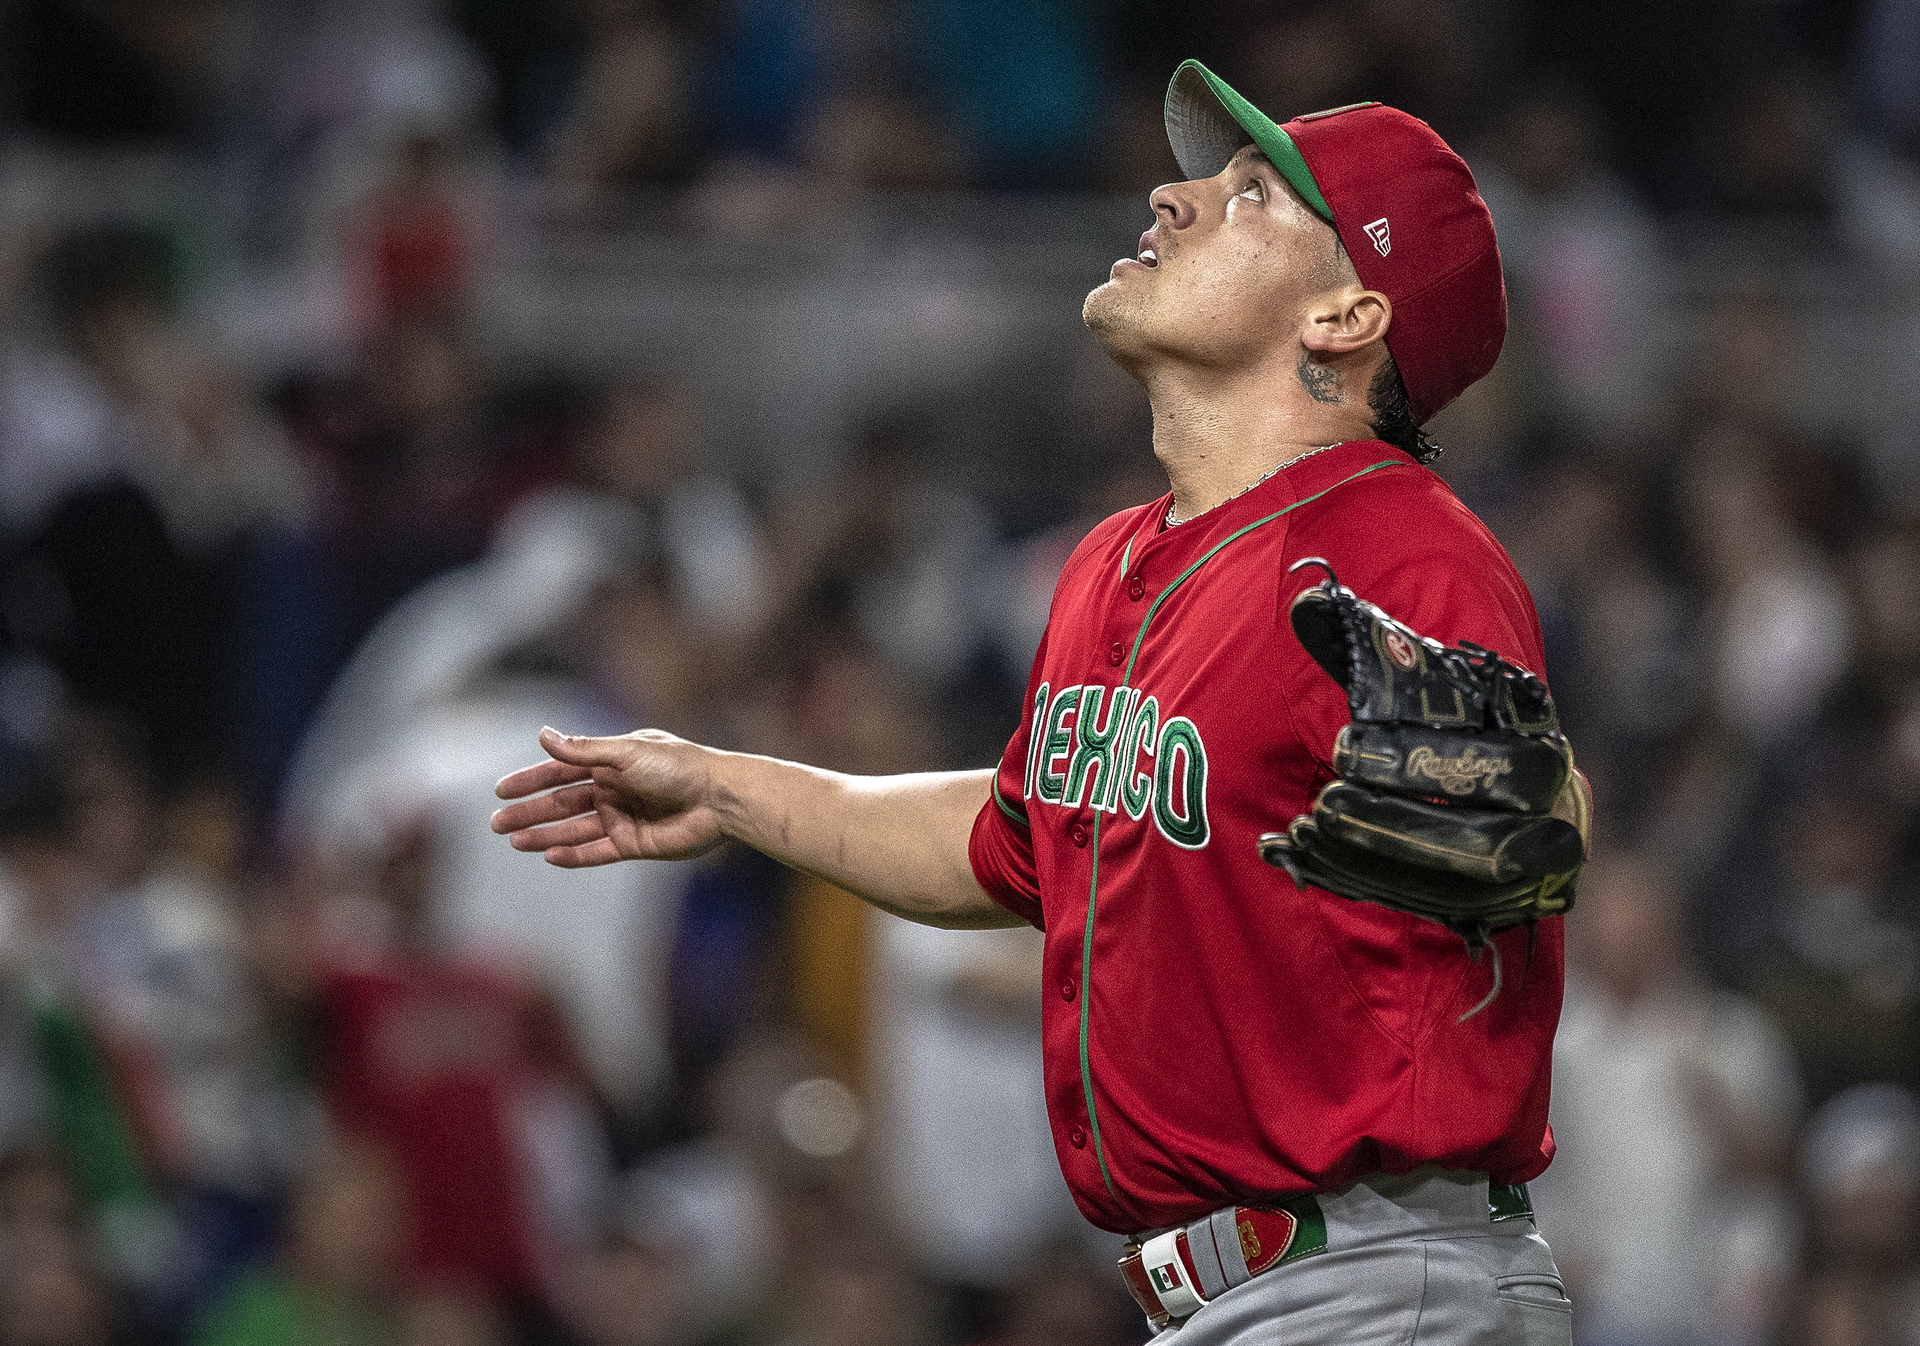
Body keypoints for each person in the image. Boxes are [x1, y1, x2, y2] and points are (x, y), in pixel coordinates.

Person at [494, 60, 1572, 1342]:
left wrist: (1531, 798)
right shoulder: (1108, 563)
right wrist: (727, 784)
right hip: (1246, 1291)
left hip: (1376, 1281)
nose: (1173, 200)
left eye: (1249, 196)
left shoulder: (1396, 544)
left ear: (1345, 317)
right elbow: (1011, 840)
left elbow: (1522, 804)